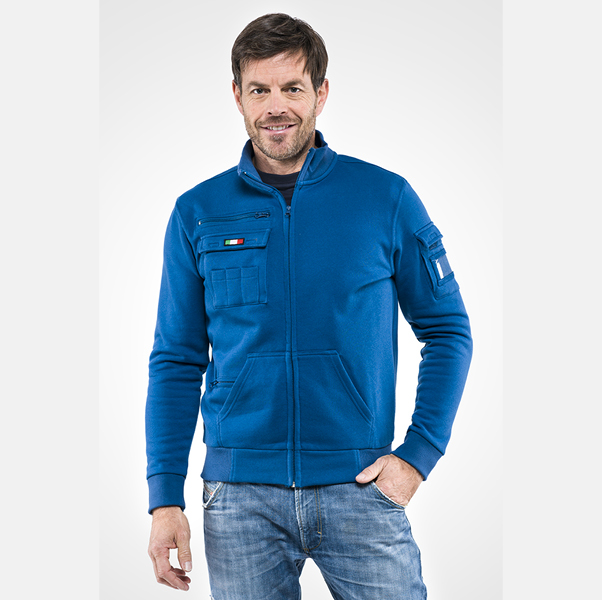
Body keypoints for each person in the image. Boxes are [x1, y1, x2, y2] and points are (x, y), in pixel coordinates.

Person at [146, 13, 472, 599]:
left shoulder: (385, 198)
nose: (276, 107)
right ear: (237, 97)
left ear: (321, 93)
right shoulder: (198, 211)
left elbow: (447, 330)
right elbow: (176, 360)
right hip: (239, 500)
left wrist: (418, 455)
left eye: (292, 88)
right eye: (259, 90)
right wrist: (164, 498)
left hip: (361, 488)